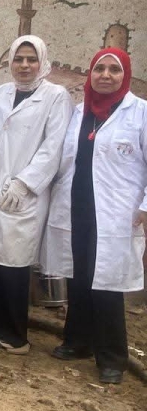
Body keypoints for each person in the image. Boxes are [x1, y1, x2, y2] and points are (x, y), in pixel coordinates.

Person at [40, 48, 147, 384]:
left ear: (125, 75)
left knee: (107, 284)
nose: (105, 75)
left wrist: (145, 206)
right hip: (77, 206)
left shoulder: (140, 113)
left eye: (114, 70)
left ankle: (112, 357)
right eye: (99, 69)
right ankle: (78, 341)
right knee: (79, 277)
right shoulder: (79, 112)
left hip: (115, 213)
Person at [0, 36, 70, 353]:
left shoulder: (56, 97)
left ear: (42, 62)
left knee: (11, 257)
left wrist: (25, 183)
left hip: (22, 191)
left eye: (31, 59)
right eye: (18, 59)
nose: (24, 66)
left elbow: (53, 148)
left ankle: (11, 334)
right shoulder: (0, 93)